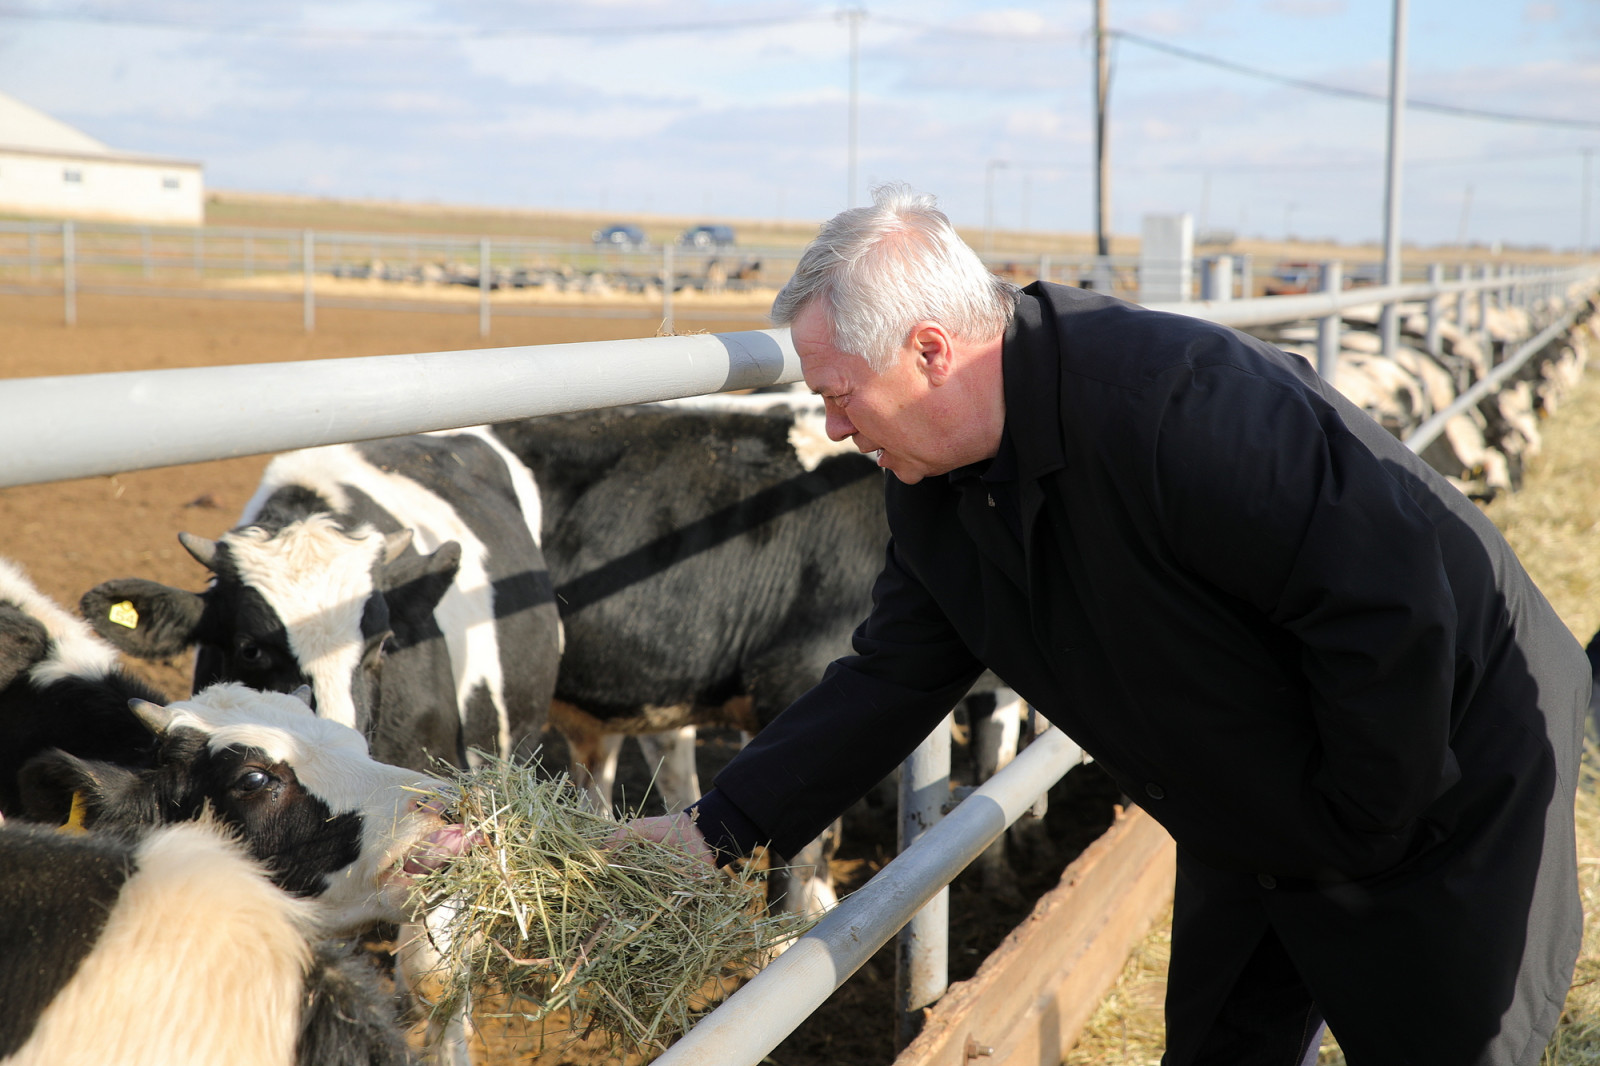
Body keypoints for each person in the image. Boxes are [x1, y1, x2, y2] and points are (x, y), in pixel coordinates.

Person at [631, 183, 1589, 1065]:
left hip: (1443, 758)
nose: (833, 427)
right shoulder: (937, 493)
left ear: (929, 351)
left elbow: (1387, 606)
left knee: (1447, 1045)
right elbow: (892, 676)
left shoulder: (1176, 406)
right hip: (1254, 777)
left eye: (838, 393)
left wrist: (1359, 832)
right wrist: (720, 827)